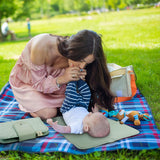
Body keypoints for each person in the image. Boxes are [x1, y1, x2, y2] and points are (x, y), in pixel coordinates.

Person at [9, 29, 115, 120]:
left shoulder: (74, 58)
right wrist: (62, 79)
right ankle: (28, 106)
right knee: (49, 114)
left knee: (78, 105)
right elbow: (37, 84)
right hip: (29, 84)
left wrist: (78, 79)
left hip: (54, 87)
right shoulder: (41, 46)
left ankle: (44, 104)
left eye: (87, 63)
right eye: (82, 60)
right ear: (74, 50)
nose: (82, 66)